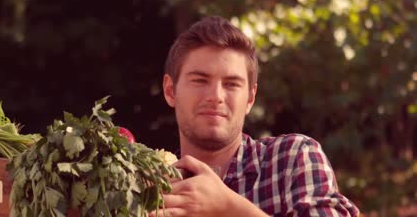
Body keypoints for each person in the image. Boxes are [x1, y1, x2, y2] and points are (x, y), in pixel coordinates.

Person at [149, 16, 359, 217]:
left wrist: (228, 208)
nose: (216, 96)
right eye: (200, 80)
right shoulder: (147, 187)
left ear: (250, 98)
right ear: (170, 91)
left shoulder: (292, 159)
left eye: (231, 84)